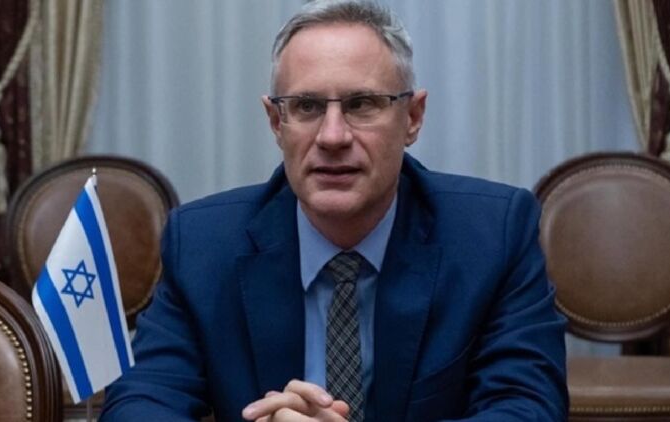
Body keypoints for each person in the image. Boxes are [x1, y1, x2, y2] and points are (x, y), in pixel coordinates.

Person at [100, 1, 568, 421]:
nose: (332, 136)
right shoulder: (203, 244)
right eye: (306, 106)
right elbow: (138, 404)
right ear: (276, 122)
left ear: (412, 118)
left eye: (361, 104)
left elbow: (528, 406)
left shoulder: (493, 235)